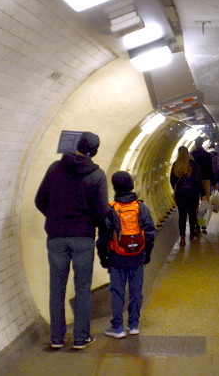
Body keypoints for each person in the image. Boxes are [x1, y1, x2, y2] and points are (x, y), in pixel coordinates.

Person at [35, 131, 109, 350]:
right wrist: (92, 224)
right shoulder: (97, 175)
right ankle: (81, 338)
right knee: (83, 287)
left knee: (56, 288)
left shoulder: (54, 168)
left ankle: (56, 338)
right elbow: (102, 210)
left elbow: (40, 200)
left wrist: (56, 216)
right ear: (94, 151)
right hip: (83, 237)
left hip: (56, 236)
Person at [97, 171, 156, 339]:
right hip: (137, 256)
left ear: (115, 187)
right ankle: (133, 324)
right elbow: (150, 233)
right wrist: (147, 254)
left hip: (117, 257)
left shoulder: (110, 209)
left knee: (117, 292)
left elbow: (103, 238)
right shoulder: (141, 207)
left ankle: (117, 328)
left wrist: (104, 258)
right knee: (136, 291)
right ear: (131, 185)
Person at [170, 146, 205, 245]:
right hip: (192, 193)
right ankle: (192, 233)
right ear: (187, 153)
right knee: (192, 214)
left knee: (182, 215)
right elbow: (198, 180)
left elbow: (172, 181)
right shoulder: (193, 164)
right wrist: (203, 193)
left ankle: (182, 238)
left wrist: (176, 191)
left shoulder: (175, 165)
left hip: (180, 194)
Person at [190, 137, 213, 233]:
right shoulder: (207, 154)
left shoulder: (191, 155)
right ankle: (202, 223)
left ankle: (196, 224)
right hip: (206, 179)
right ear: (202, 143)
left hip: (195, 181)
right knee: (204, 202)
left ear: (195, 143)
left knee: (195, 203)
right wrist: (214, 182)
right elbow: (210, 168)